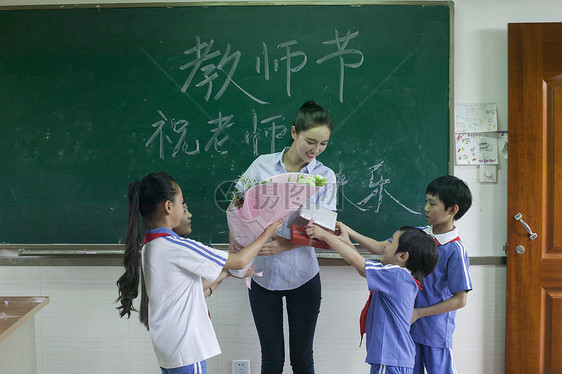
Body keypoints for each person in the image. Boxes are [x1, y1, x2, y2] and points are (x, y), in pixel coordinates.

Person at [116, 171, 283, 374]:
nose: (185, 209)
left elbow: (183, 289)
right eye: (180, 202)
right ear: (169, 207)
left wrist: (227, 274)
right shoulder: (176, 246)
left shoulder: (150, 246)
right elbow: (239, 261)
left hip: (169, 348)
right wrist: (267, 233)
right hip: (186, 347)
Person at [231, 100, 337, 374]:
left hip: (303, 276)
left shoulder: (324, 177)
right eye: (310, 141)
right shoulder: (262, 166)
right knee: (271, 358)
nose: (315, 150)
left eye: (323, 144)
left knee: (302, 359)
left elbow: (324, 234)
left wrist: (285, 244)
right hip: (262, 276)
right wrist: (236, 236)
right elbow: (237, 205)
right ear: (294, 132)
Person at [305, 222, 438, 374]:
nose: (386, 246)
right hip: (396, 358)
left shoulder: (397, 275)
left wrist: (324, 235)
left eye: (391, 242)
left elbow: (362, 266)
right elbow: (363, 269)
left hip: (389, 359)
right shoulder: (402, 277)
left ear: (402, 256)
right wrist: (346, 242)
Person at [409, 175, 473, 374]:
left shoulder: (455, 250)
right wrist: (347, 234)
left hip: (435, 332)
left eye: (432, 203)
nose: (426, 208)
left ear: (452, 210)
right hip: (411, 327)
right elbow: (381, 247)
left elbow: (460, 300)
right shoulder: (419, 235)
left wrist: (419, 313)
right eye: (426, 201)